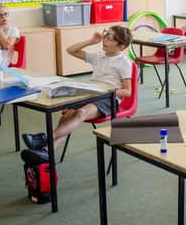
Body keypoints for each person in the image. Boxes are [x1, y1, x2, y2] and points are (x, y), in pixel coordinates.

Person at [20, 25, 133, 165]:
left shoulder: (124, 63)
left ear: (121, 46)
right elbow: (70, 50)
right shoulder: (98, 56)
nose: (105, 39)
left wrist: (106, 91)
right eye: (106, 34)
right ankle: (47, 151)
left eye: (110, 38)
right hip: (91, 93)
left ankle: (46, 139)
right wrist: (91, 41)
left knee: (80, 113)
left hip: (108, 98)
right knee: (67, 117)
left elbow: (127, 91)